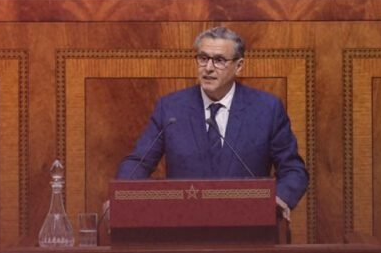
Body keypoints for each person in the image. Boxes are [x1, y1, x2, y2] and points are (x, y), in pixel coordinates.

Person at [116, 26, 309, 217]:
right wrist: (120, 196)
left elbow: (293, 169)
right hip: (184, 222)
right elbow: (139, 162)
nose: (208, 68)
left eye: (219, 60)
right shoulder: (171, 108)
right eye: (203, 58)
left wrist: (279, 199)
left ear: (239, 66)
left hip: (247, 222)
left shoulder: (266, 108)